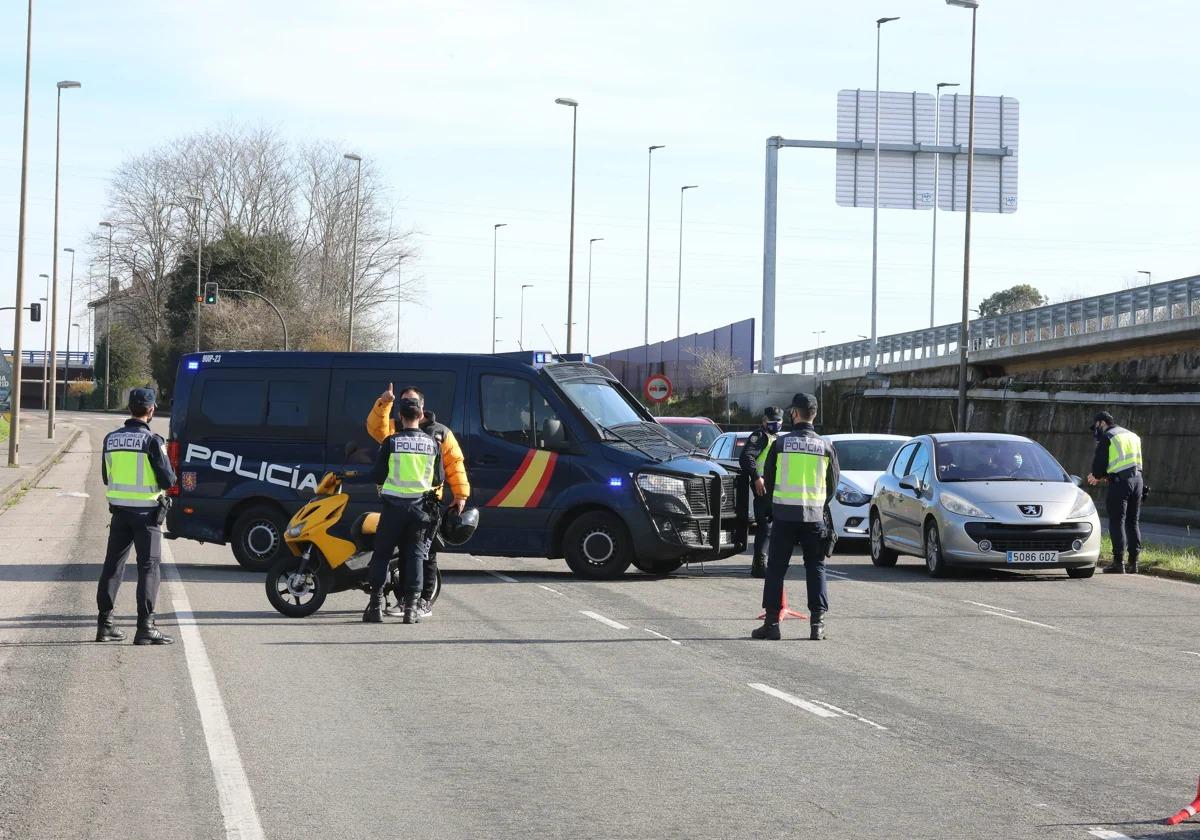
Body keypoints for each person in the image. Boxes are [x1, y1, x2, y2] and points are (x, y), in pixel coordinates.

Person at [367, 384, 470, 618]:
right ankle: (408, 603)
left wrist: (461, 494)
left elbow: (455, 464)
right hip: (421, 507)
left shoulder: (439, 433)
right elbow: (375, 428)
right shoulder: (399, 432)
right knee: (412, 555)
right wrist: (383, 403)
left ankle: (422, 601)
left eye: (409, 401)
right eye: (402, 400)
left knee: (424, 555)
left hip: (416, 504)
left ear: (421, 407)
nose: (406, 404)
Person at [752, 393, 839, 641]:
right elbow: (832, 485)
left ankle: (772, 624)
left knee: (776, 570)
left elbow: (768, 479)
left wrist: (774, 505)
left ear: (795, 414)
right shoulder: (826, 447)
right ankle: (817, 626)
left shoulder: (780, 445)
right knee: (816, 567)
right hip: (814, 518)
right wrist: (817, 503)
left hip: (784, 516)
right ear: (814, 414)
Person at [96, 387, 176, 645]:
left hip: (119, 514)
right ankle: (145, 627)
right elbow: (168, 478)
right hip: (147, 515)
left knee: (112, 568)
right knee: (148, 569)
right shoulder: (153, 441)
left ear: (129, 408)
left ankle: (105, 625)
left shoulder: (110, 439)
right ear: (151, 410)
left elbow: (107, 477)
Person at [1087, 411, 1144, 574]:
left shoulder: (1108, 436)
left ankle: (1118, 563)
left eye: (1096, 426)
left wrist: (1097, 476)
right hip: (1138, 481)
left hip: (1120, 484)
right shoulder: (1133, 435)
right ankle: (1134, 563)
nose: (1095, 431)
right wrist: (1108, 475)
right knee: (1133, 522)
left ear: (1102, 423)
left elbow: (1099, 466)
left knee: (1117, 521)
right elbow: (1125, 462)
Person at [739, 406, 784, 579]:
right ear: (764, 421)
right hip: (763, 487)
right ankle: (759, 565)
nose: (775, 425)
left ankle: (767, 563)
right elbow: (746, 457)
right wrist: (757, 477)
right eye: (771, 422)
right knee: (765, 527)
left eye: (778, 422)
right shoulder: (760, 436)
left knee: (772, 527)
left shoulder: (775, 437)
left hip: (775, 487)